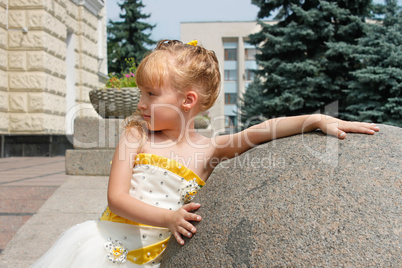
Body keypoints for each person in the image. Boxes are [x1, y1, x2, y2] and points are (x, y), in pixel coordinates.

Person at [32, 39, 379, 267]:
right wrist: (169, 218)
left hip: (159, 258)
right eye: (141, 93)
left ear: (188, 101)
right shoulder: (136, 134)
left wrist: (312, 119)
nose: (140, 103)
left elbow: (261, 130)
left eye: (152, 94)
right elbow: (117, 197)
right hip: (106, 249)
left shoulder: (209, 149)